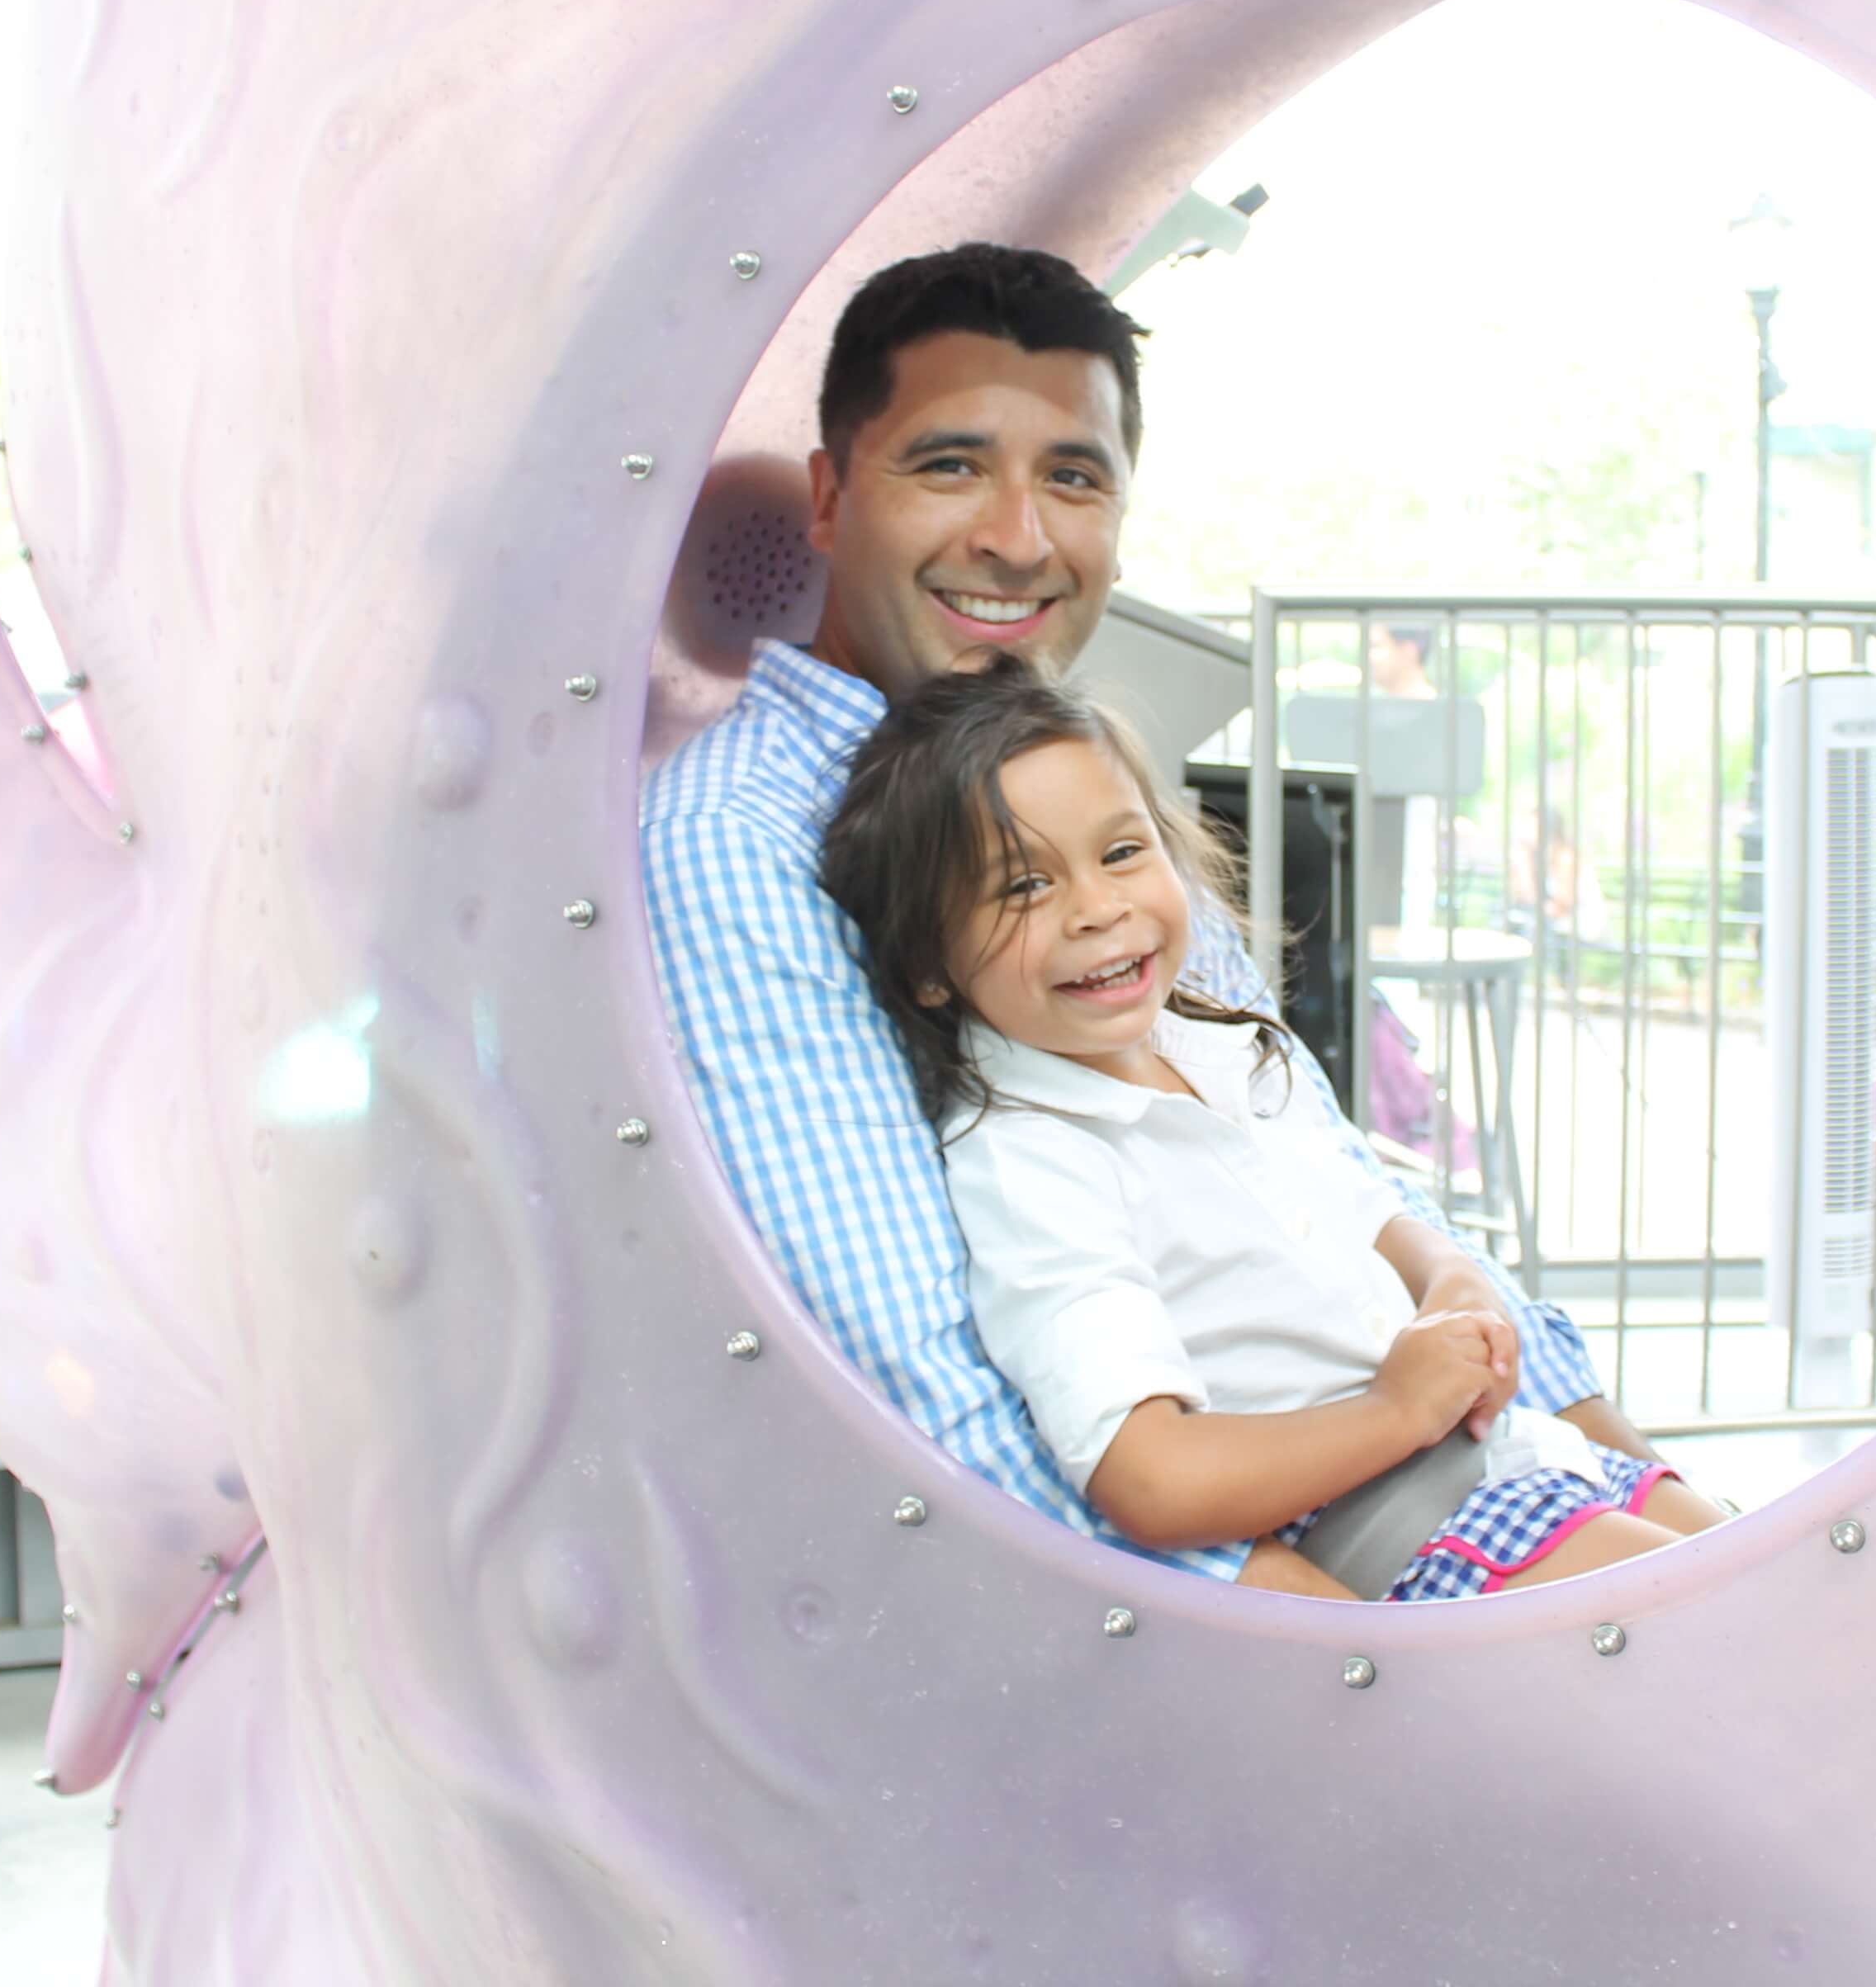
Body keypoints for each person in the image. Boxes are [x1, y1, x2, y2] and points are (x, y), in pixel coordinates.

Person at [642, 241, 1666, 1599]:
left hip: (1489, 1480)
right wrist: (1390, 1685)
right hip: (1290, 1608)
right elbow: (941, 1411)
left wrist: (1637, 1478)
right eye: (949, 464)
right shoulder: (740, 837)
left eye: (1072, 476)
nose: (1017, 534)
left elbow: (1328, 1174)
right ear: (829, 499)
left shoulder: (1083, 788)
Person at [821, 660, 1725, 1598]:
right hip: (1419, 1522)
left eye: (1123, 852)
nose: (1097, 908)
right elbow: (1150, 1475)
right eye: (1021, 887)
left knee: (1779, 1570)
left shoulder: (1226, 1044)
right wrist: (1396, 1410)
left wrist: (1454, 1283)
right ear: (929, 963)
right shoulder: (1032, 1157)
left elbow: (1369, 1209)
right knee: (1730, 1629)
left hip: (1529, 1455)